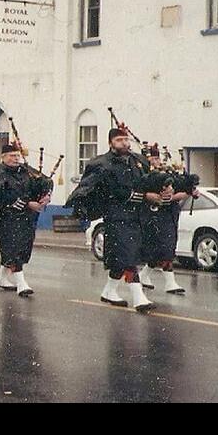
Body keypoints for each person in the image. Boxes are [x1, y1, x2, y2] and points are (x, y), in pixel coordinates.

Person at [79, 129, 158, 310]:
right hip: (116, 216)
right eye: (119, 140)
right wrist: (143, 196)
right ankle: (139, 297)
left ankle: (109, 292)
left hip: (136, 216)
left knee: (122, 257)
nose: (124, 143)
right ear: (110, 143)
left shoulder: (137, 161)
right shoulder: (103, 164)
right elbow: (106, 190)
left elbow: (147, 181)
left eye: (125, 139)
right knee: (128, 255)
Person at [0, 143, 51, 296]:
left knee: (24, 247)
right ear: (3, 157)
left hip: (27, 217)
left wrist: (46, 196)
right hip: (7, 217)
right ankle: (21, 283)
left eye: (17, 155)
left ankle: (1, 278)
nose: (16, 159)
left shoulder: (26, 171)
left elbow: (45, 182)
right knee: (12, 247)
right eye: (12, 156)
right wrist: (27, 203)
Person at [136, 145, 199, 296]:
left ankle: (145, 275)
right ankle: (170, 282)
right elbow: (140, 192)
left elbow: (180, 192)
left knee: (166, 245)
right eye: (153, 157)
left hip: (169, 213)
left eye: (157, 157)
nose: (156, 160)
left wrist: (188, 192)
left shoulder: (169, 174)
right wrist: (152, 197)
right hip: (151, 214)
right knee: (161, 246)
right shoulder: (142, 173)